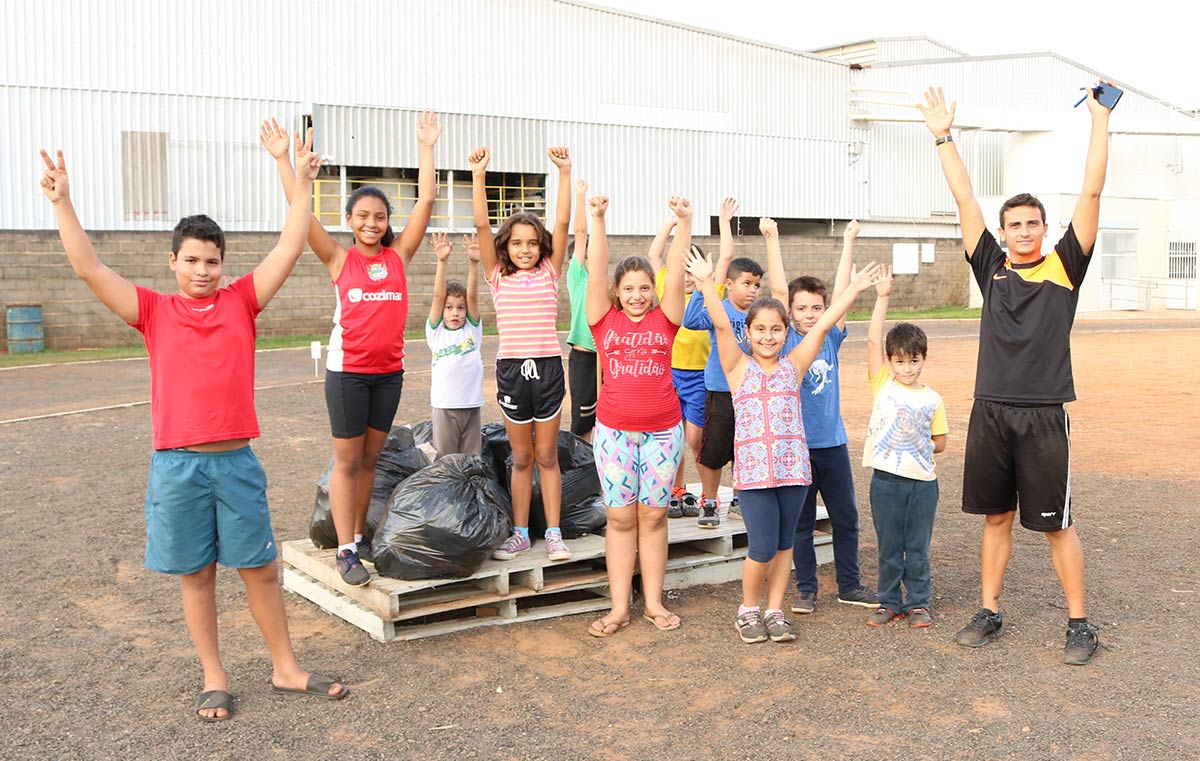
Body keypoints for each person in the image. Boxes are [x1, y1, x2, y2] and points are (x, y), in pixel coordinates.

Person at [38, 134, 347, 721]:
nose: (201, 271)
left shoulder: (242, 302)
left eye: (211, 261)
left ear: (222, 265)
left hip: (235, 461)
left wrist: (300, 178)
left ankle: (285, 667)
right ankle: (214, 676)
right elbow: (88, 267)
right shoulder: (153, 310)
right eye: (191, 260)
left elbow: (289, 242)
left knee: (259, 567)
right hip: (178, 465)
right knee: (197, 573)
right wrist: (62, 203)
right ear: (172, 262)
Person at [918, 84, 1111, 664]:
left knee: (1057, 525)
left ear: (1046, 229)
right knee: (996, 516)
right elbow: (965, 200)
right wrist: (943, 136)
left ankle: (1078, 623)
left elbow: (1093, 188)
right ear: (1003, 234)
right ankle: (990, 610)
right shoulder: (991, 267)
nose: (1023, 232)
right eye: (1014, 225)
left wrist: (1100, 121)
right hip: (990, 411)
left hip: (1044, 415)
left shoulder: (1066, 266)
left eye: (1032, 223)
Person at [261, 113, 443, 588]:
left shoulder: (398, 255)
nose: (371, 223)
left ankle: (358, 536)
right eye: (362, 216)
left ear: (387, 224)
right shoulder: (338, 258)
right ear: (349, 220)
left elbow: (426, 199)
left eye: (379, 217)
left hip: (389, 374)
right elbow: (301, 213)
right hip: (347, 374)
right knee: (346, 460)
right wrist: (286, 161)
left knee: (370, 460)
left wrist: (426, 148)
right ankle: (345, 550)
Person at [686, 247, 883, 644]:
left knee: (782, 546)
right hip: (756, 478)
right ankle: (748, 610)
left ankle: (775, 610)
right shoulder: (738, 369)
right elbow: (723, 328)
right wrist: (707, 283)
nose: (768, 336)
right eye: (760, 330)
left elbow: (825, 323)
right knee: (760, 548)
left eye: (776, 329)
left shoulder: (794, 366)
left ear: (785, 332)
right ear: (749, 333)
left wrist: (855, 290)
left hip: (793, 473)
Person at [584, 194, 690, 636]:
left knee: (654, 517)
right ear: (616, 292)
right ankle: (618, 608)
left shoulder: (667, 319)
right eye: (628, 288)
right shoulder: (601, 320)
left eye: (644, 287)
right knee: (621, 518)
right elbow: (596, 268)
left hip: (664, 433)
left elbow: (678, 274)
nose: (637, 295)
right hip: (614, 435)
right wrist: (598, 218)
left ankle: (653, 603)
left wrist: (684, 223)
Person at [763, 220, 879, 613]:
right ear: (789, 312)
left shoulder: (829, 334)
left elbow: (844, 293)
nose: (810, 315)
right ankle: (806, 589)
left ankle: (849, 584)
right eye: (801, 308)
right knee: (800, 524)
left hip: (831, 444)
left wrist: (848, 241)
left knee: (846, 517)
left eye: (817, 308)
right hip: (796, 449)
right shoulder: (788, 340)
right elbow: (778, 290)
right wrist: (773, 240)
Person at [469, 145, 574, 562]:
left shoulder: (550, 271)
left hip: (548, 368)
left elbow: (563, 220)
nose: (526, 250)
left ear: (542, 247)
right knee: (523, 455)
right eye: (517, 243)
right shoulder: (497, 276)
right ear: (505, 247)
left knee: (547, 455)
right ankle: (518, 532)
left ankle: (553, 533)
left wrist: (564, 173)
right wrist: (478, 176)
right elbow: (480, 222)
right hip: (513, 371)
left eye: (533, 243)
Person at [862, 268, 948, 628]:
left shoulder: (932, 398)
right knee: (889, 547)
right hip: (886, 482)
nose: (907, 367)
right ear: (890, 361)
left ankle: (918, 602)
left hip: (922, 485)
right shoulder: (883, 384)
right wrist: (882, 297)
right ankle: (888, 602)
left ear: (924, 359)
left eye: (914, 360)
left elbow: (940, 442)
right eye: (899, 360)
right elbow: (871, 341)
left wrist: (918, 442)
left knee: (917, 547)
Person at [650, 198, 737, 518]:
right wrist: (671, 224)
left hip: (702, 377)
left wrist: (725, 222)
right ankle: (677, 489)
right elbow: (653, 255)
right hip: (671, 373)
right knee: (673, 436)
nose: (687, 275)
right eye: (683, 268)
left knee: (696, 437)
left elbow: (726, 255)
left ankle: (709, 494)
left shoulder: (711, 290)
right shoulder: (668, 288)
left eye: (692, 268)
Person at [682, 244, 766, 528]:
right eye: (747, 283)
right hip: (719, 390)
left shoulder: (760, 315)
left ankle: (742, 499)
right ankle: (709, 500)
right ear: (729, 284)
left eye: (757, 284)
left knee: (745, 448)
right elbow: (691, 320)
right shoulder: (721, 308)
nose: (753, 290)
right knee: (713, 450)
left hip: (750, 392)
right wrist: (699, 287)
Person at [425, 231, 483, 458]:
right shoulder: (436, 333)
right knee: (446, 460)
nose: (455, 312)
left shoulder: (472, 330)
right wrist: (442, 261)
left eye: (460, 308)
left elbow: (473, 297)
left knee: (471, 461)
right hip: (445, 407)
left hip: (471, 406)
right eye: (449, 308)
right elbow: (438, 296)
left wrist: (473, 263)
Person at [565, 179, 598, 442]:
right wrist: (580, 196)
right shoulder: (578, 276)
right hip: (584, 358)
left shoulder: (605, 282)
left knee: (607, 418)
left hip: (607, 359)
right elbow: (580, 232)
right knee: (582, 421)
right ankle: (582, 468)